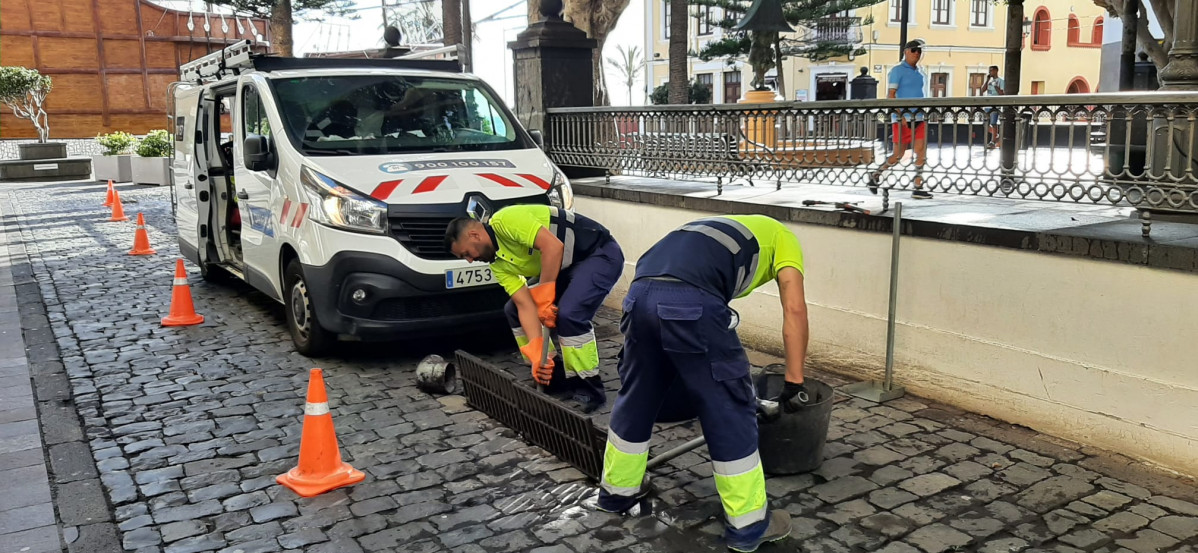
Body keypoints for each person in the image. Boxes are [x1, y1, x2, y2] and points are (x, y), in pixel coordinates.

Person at [596, 215, 812, 553]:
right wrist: (793, 382)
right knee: (729, 407)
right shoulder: (786, 240)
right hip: (691, 301)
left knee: (637, 394)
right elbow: (795, 310)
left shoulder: (718, 228)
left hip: (639, 294)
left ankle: (616, 492)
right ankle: (749, 525)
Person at [445, 205, 623, 411]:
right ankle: (552, 376)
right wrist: (538, 353)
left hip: (597, 254)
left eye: (466, 253)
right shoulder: (497, 264)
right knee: (511, 309)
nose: (469, 260)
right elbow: (524, 305)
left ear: (474, 234)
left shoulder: (506, 220)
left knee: (569, 314)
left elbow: (553, 247)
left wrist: (545, 297)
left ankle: (588, 387)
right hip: (565, 267)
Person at [869, 39, 932, 199]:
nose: (917, 53)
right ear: (906, 51)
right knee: (898, 154)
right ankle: (876, 175)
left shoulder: (920, 72)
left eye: (919, 51)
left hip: (918, 116)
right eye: (914, 50)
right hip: (902, 119)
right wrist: (900, 116)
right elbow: (891, 95)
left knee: (921, 153)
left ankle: (918, 186)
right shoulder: (897, 71)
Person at [984, 65, 1005, 149]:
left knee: (993, 123)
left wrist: (996, 86)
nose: (990, 72)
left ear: (996, 71)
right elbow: (982, 90)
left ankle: (992, 142)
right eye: (989, 71)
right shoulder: (989, 81)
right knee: (985, 123)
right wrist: (987, 80)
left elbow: (1002, 93)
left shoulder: (1001, 81)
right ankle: (997, 136)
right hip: (988, 104)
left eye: (991, 71)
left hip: (996, 105)